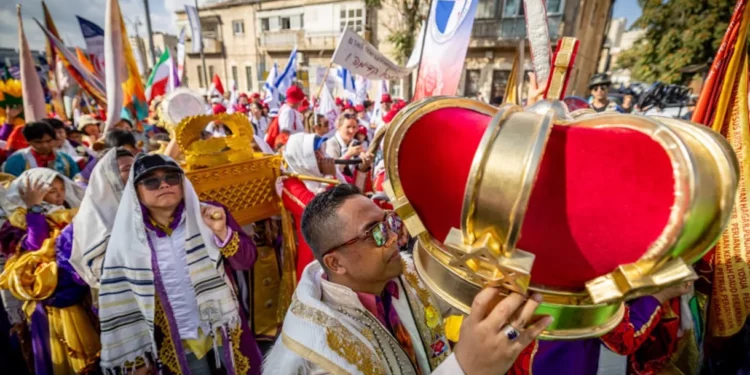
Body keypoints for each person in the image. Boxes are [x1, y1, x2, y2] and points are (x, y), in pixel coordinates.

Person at [264, 183, 553, 374]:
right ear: (335, 263)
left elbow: (463, 294)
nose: (392, 237)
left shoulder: (405, 273)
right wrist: (465, 367)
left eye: (388, 221)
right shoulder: (317, 354)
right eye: (374, 233)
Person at [98, 154, 263, 374]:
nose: (164, 184)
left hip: (225, 328)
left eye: (172, 178)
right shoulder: (128, 236)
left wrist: (222, 231)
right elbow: (120, 298)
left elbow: (246, 260)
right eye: (151, 181)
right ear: (136, 191)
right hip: (175, 339)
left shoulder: (209, 214)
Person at [0, 168, 99, 375]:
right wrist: (34, 208)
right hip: (49, 302)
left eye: (62, 188)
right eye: (52, 190)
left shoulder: (72, 213)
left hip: (83, 295)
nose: (60, 195)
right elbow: (36, 250)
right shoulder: (14, 223)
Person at [280, 133, 347, 280]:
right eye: (314, 153)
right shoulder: (289, 184)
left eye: (320, 150)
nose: (321, 156)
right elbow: (316, 211)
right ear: (302, 157)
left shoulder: (320, 176)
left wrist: (362, 168)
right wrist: (329, 178)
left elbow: (352, 194)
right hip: (315, 256)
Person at [67, 148, 134, 289]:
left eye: (136, 166)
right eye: (127, 168)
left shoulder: (145, 200)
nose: (136, 172)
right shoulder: (92, 214)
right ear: (109, 176)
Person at [3, 121, 81, 179]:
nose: (44, 145)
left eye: (48, 141)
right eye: (38, 142)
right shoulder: (17, 160)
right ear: (28, 141)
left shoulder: (66, 160)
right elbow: (12, 189)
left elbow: (76, 182)